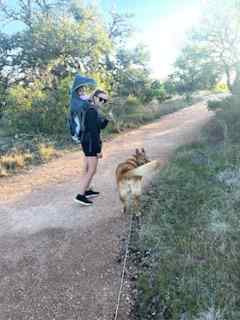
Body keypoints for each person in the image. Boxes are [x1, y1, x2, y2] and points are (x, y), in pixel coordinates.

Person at [74, 89, 109, 206]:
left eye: (105, 100)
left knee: (87, 167)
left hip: (86, 141)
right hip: (90, 143)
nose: (103, 102)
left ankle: (86, 190)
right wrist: (98, 150)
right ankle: (80, 195)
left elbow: (98, 126)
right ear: (94, 97)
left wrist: (106, 120)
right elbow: (94, 132)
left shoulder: (90, 108)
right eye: (101, 99)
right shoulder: (92, 110)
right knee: (92, 170)